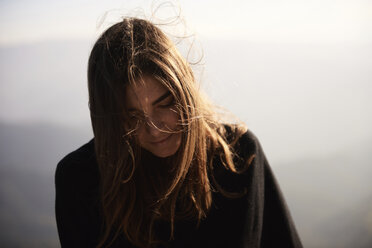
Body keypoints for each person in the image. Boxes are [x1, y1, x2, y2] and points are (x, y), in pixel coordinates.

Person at [55, 17, 303, 248]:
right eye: (131, 117)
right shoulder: (80, 180)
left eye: (165, 104)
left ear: (184, 91)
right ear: (109, 121)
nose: (154, 128)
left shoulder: (236, 157)